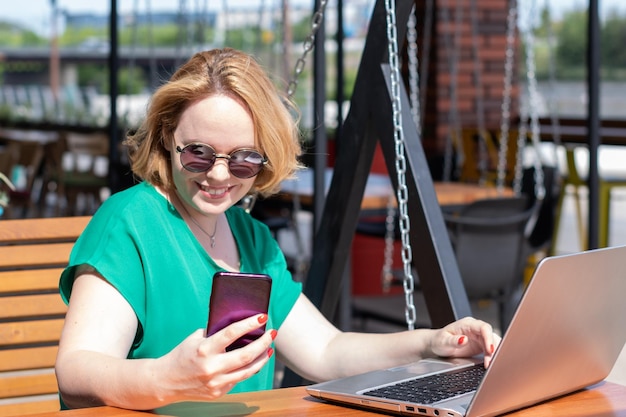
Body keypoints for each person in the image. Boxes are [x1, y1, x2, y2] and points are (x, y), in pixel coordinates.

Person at [55, 47, 500, 410]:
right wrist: (167, 379)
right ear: (168, 137)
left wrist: (431, 343)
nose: (219, 175)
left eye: (245, 158)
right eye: (199, 154)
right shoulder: (130, 221)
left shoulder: (253, 239)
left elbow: (327, 351)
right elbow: (76, 371)